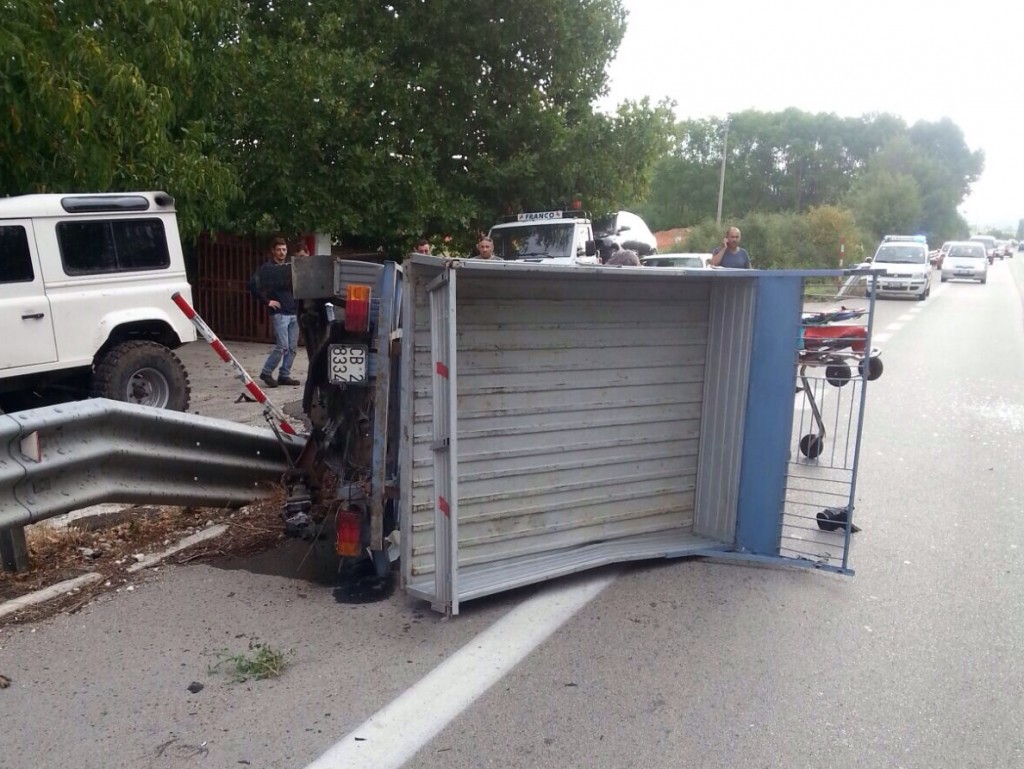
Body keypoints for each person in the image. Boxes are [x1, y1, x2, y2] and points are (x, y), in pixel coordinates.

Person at [252, 237, 300, 388]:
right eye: (279, 249)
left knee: (292, 348)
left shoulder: (290, 267)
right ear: (273, 251)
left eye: (284, 249)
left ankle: (284, 375)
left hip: (293, 311)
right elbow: (252, 285)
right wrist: (267, 302)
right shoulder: (267, 269)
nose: (281, 252)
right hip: (280, 313)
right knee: (282, 346)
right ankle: (266, 372)